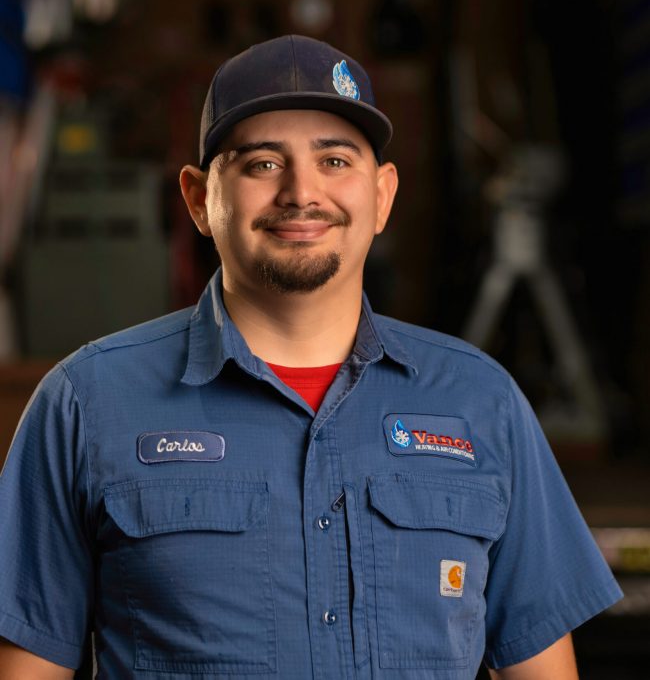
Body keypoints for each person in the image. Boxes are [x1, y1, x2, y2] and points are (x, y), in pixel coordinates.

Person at [0, 34, 622, 680]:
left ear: (381, 195)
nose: (301, 193)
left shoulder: (480, 401)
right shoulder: (87, 403)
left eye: (334, 161)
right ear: (196, 199)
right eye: (262, 164)